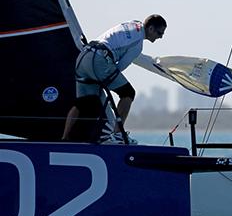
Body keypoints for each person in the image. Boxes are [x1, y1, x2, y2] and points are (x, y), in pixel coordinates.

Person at [61, 14, 167, 144]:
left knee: (81, 103)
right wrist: (102, 78)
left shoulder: (133, 23)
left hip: (84, 56)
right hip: (98, 61)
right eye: (160, 32)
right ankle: (117, 135)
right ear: (150, 29)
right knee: (128, 93)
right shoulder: (137, 45)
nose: (161, 37)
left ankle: (65, 138)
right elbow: (119, 68)